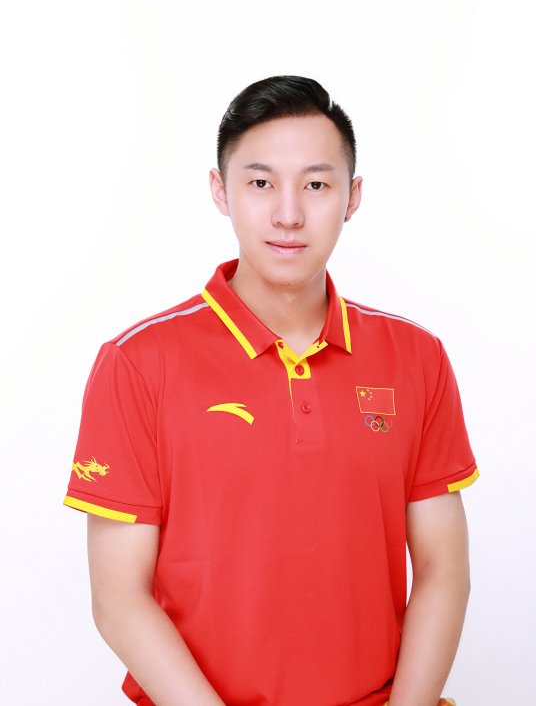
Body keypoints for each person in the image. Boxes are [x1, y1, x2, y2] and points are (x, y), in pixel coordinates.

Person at [63, 75, 479, 706]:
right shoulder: (137, 363)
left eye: (316, 185)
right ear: (220, 191)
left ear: (352, 197)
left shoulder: (417, 357)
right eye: (260, 183)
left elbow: (443, 569)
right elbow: (119, 598)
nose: (288, 213)